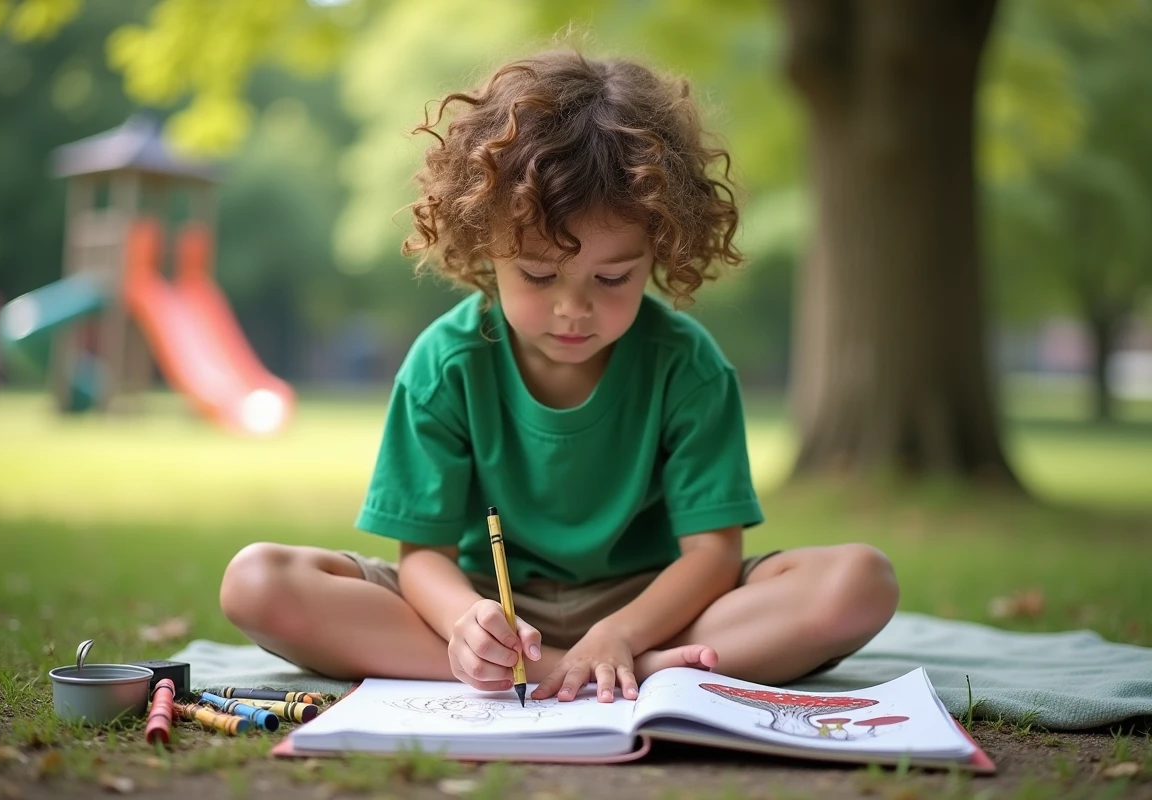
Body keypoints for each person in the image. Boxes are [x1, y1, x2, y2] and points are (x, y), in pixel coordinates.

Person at [220, 50, 899, 704]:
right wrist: (465, 625)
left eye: (612, 278)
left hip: (657, 607)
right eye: (540, 275)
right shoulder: (445, 363)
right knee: (257, 582)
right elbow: (422, 554)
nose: (574, 309)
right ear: (485, 243)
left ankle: (607, 663)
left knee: (858, 582)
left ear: (658, 250)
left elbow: (713, 556)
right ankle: (591, 673)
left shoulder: (686, 365)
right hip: (492, 606)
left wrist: (621, 632)